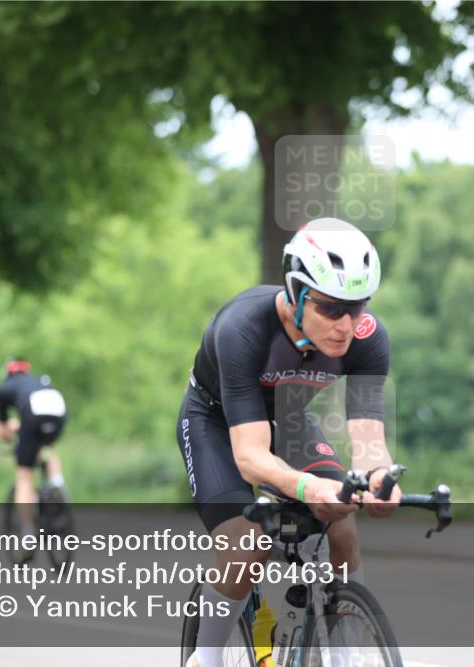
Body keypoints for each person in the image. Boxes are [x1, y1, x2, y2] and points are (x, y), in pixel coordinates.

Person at [178, 217, 401, 667]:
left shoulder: (367, 339)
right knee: (248, 543)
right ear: (297, 293)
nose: (345, 323)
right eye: (330, 308)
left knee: (341, 523)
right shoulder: (243, 328)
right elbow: (250, 454)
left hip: (288, 419)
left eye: (357, 307)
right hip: (218, 424)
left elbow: (369, 441)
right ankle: (205, 658)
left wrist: (379, 480)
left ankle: (342, 652)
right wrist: (305, 487)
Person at [0, 358, 68, 555]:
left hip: (32, 413)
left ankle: (28, 535)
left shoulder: (3, 389)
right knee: (47, 449)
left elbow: (3, 431)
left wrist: (12, 437)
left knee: (24, 475)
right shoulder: (40, 382)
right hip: (58, 407)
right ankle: (57, 486)